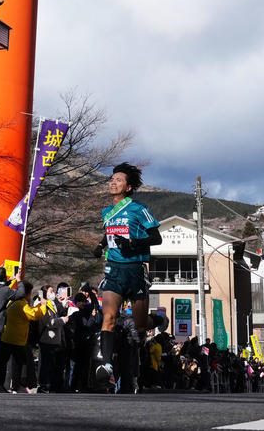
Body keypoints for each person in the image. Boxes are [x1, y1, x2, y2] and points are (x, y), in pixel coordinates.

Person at [93, 162, 162, 390]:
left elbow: (156, 238)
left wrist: (132, 242)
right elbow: (109, 232)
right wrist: (100, 246)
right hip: (114, 269)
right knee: (109, 318)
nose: (113, 182)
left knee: (140, 325)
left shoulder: (138, 208)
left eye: (118, 180)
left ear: (129, 187)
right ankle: (105, 365)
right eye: (112, 179)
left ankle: (158, 321)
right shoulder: (106, 212)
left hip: (135, 269)